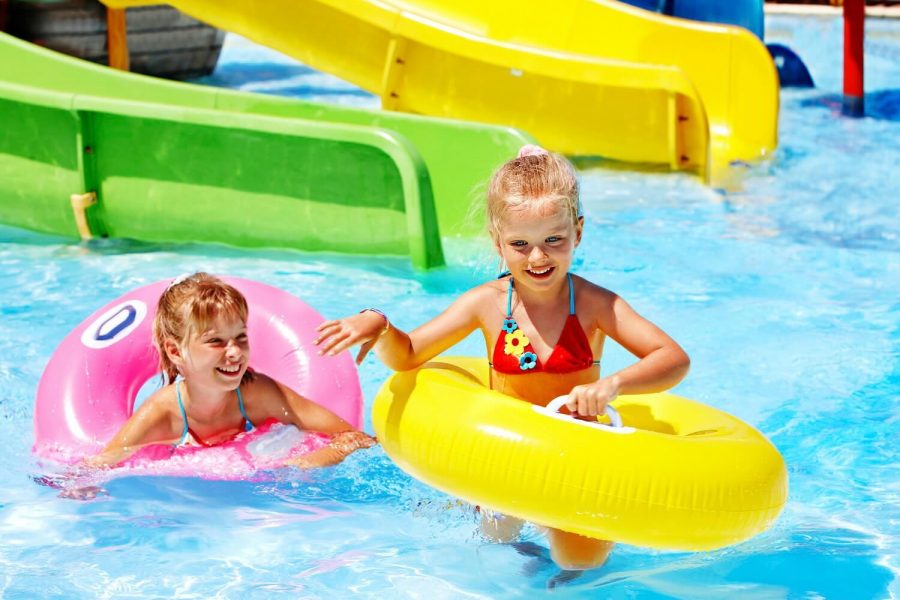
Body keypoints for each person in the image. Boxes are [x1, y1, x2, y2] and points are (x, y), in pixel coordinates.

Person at [313, 146, 690, 571]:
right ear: (497, 242)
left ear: (578, 232)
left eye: (554, 240)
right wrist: (378, 323)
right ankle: (479, 519)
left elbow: (673, 357)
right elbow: (409, 354)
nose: (538, 257)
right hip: (504, 458)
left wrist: (612, 385)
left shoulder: (595, 304)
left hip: (574, 460)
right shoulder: (486, 304)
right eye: (520, 244)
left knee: (579, 562)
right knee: (497, 540)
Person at [84, 272, 375, 470]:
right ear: (175, 351)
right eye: (215, 341)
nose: (235, 352)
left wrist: (299, 467)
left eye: (241, 338)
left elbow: (354, 438)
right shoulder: (162, 414)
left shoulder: (257, 393)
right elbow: (96, 469)